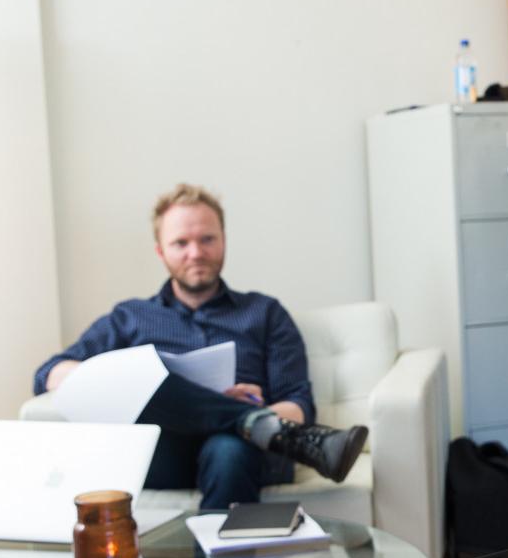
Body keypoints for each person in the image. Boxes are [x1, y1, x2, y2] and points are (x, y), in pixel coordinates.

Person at [34, 183, 367, 510]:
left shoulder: (264, 313)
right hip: (162, 453)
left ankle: (249, 427)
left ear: (223, 241)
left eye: (207, 239)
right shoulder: (130, 317)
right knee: (143, 379)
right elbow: (48, 375)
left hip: (245, 451)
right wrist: (123, 380)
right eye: (181, 242)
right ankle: (249, 420)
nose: (196, 252)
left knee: (230, 449)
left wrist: (251, 409)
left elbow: (298, 405)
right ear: (161, 251)